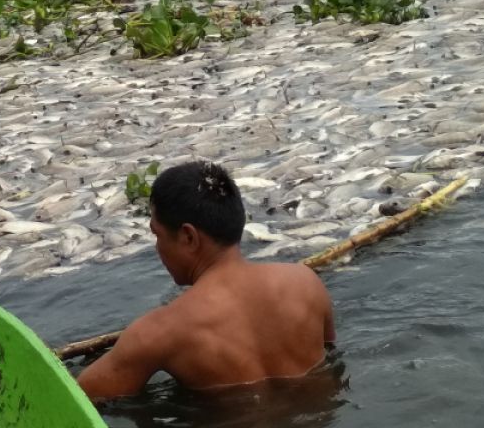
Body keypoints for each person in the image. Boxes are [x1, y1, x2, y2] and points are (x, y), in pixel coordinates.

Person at [77, 161, 335, 400]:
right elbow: (332, 355)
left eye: (157, 234)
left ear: (188, 237)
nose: (158, 247)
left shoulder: (158, 332)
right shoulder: (306, 283)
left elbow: (80, 400)